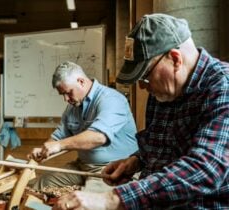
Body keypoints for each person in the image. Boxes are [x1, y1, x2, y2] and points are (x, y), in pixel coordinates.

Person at [52, 13, 229, 210]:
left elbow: (206, 168)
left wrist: (111, 199)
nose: (143, 87)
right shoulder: (164, 90)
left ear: (175, 59)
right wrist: (136, 160)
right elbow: (160, 144)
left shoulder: (223, 88)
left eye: (145, 76)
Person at [29, 61, 138, 190]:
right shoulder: (73, 107)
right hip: (82, 166)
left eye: (68, 92)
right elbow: (60, 135)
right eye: (62, 94)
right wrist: (43, 151)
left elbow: (98, 137)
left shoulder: (111, 99)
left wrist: (58, 146)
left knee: (84, 202)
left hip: (112, 169)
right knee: (37, 185)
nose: (66, 99)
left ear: (81, 81)